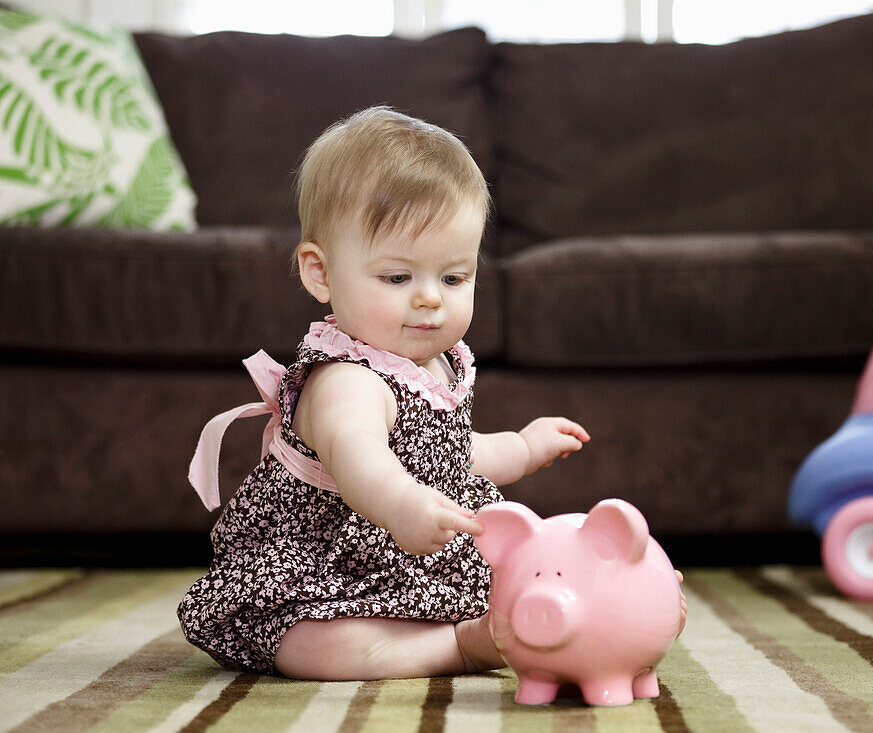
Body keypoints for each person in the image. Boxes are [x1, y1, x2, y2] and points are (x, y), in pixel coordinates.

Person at [179, 107, 591, 680]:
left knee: (527, 554)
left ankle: (601, 591)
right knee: (319, 646)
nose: (430, 299)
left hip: (415, 559)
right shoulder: (345, 377)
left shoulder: (435, 366)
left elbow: (446, 457)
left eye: (453, 278)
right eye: (398, 278)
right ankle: (460, 648)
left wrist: (521, 447)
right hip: (327, 568)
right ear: (321, 273)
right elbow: (359, 456)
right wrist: (400, 504)